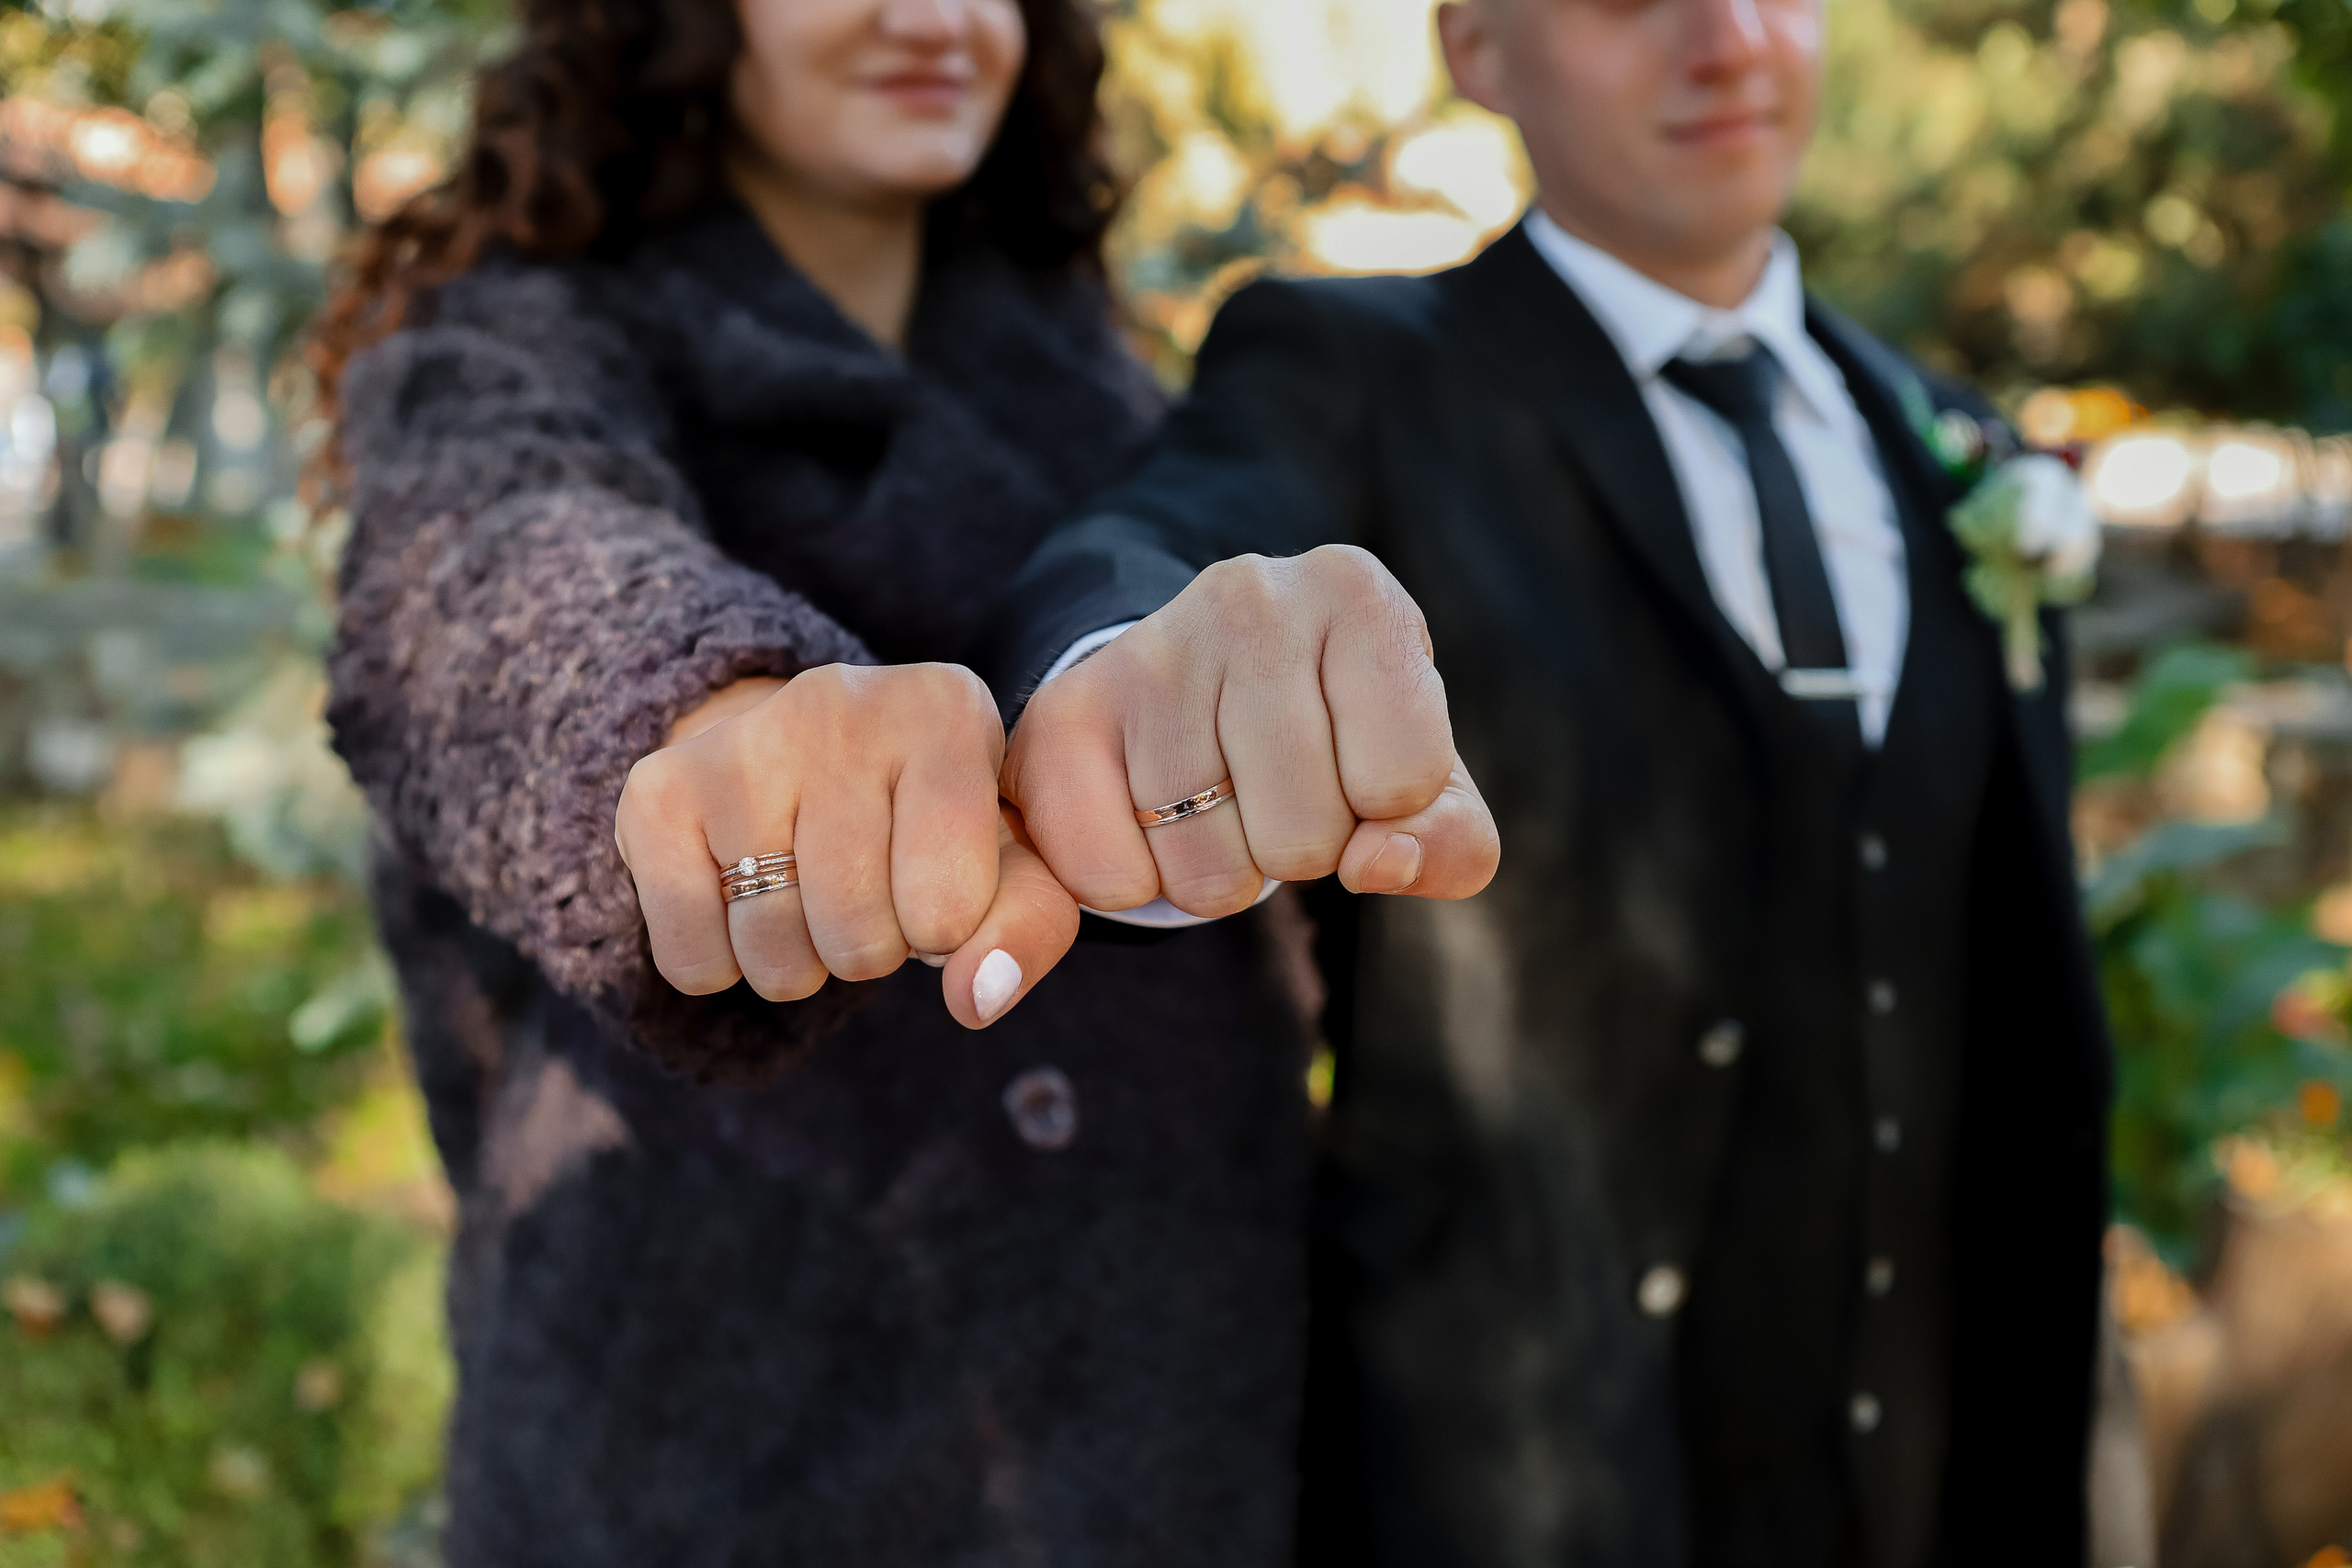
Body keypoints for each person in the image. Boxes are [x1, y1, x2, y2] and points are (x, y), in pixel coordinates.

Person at [986, 0, 2113, 1560]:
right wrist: (1125, 681)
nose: (1726, 42)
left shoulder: (1952, 441)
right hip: (1519, 1482)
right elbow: (1163, 549)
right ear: (1475, 47)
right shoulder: (1355, 367)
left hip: (1931, 1473)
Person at [314, 0, 1324, 1561]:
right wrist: (702, 719)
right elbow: (491, 559)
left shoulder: (1105, 381)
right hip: (715, 1430)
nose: (933, 17)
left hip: (1164, 1422)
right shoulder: (514, 340)